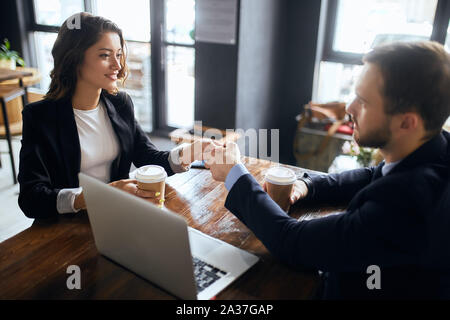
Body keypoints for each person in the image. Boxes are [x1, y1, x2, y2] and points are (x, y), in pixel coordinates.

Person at [204, 41, 450, 299]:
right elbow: (373, 175)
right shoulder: (436, 149)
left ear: (407, 122)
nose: (349, 108)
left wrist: (235, 173)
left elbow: (292, 243)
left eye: (363, 102)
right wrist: (308, 185)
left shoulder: (406, 202)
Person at [18, 13, 210, 219]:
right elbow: (31, 198)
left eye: (118, 55)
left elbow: (147, 156)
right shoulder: (40, 117)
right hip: (66, 228)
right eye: (104, 55)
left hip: (115, 218)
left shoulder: (120, 104)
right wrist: (97, 197)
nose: (117, 66)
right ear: (75, 59)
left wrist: (189, 152)